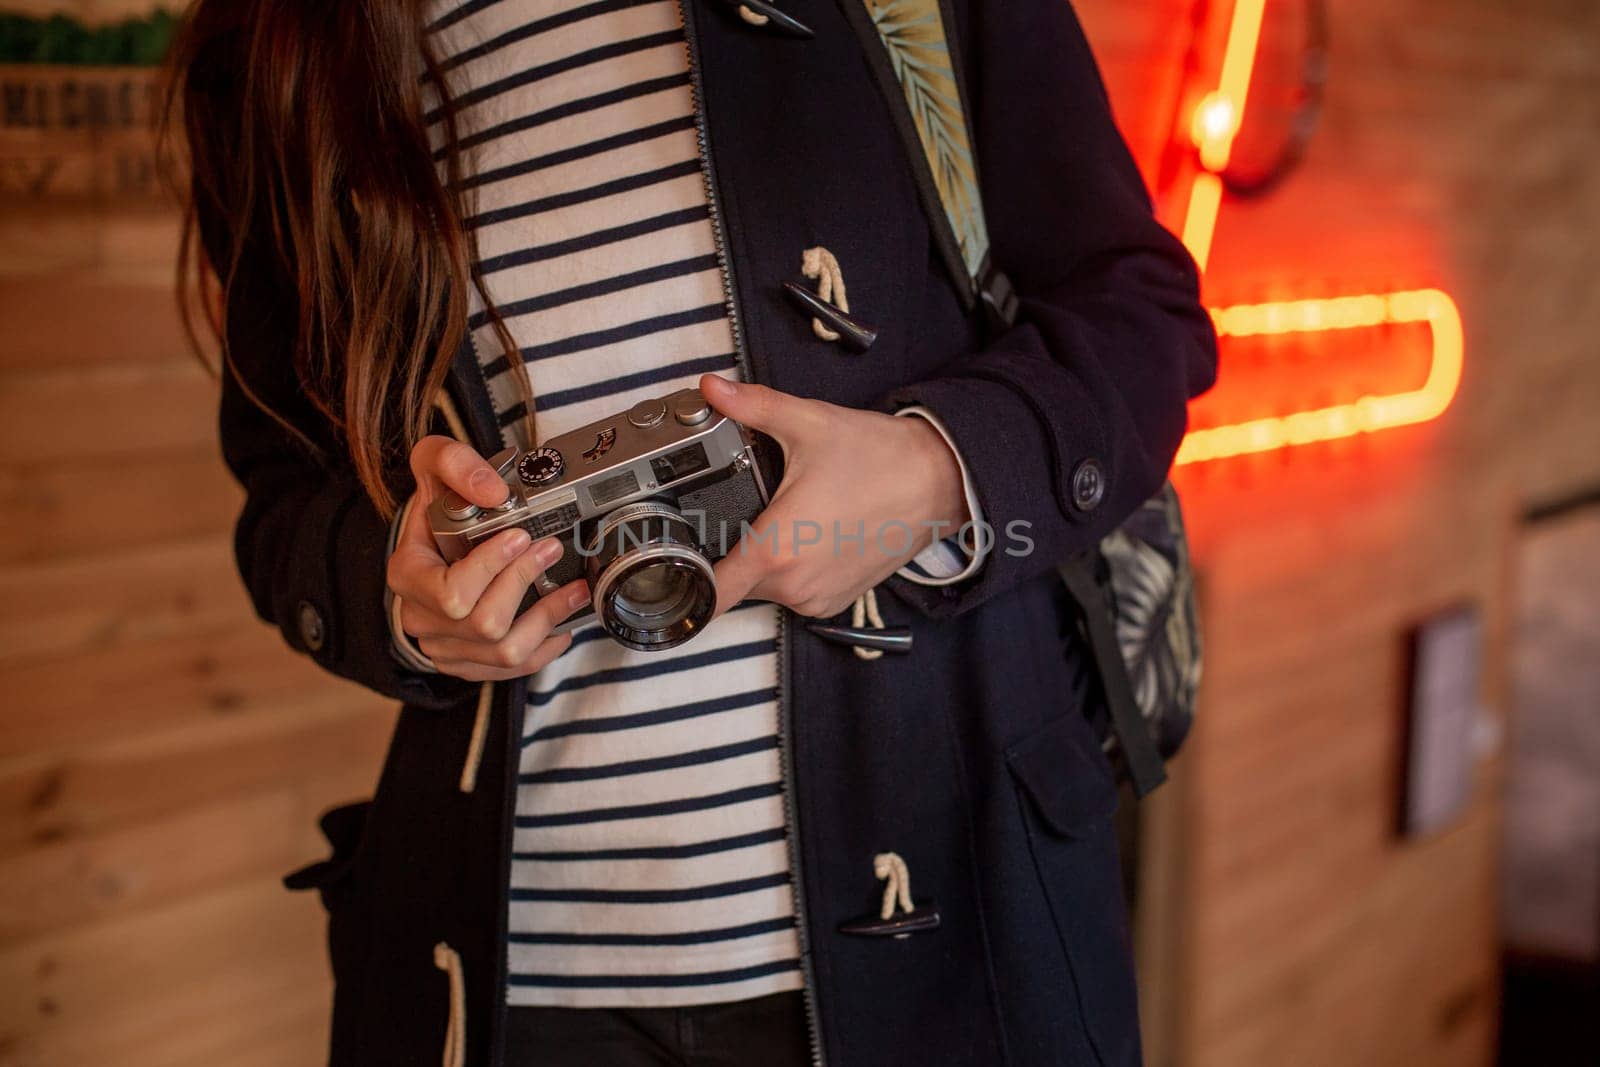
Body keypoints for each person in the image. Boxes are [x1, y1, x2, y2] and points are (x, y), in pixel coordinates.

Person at [166, 0, 1216, 1064]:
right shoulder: (276, 39)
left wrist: (930, 467)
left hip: (962, 934)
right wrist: (400, 597)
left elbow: (1139, 317)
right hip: (503, 989)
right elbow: (285, 491)